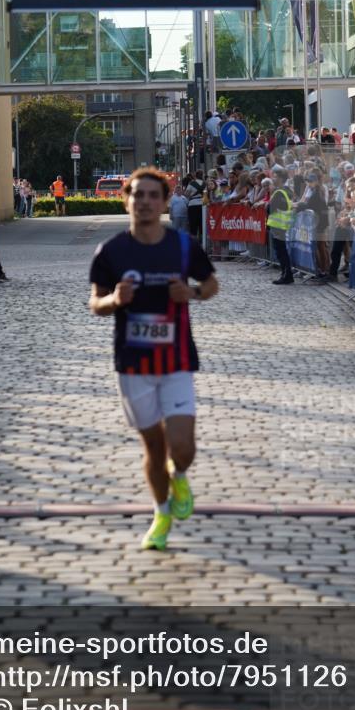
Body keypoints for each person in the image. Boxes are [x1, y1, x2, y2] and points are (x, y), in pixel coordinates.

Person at [89, 167, 218, 550]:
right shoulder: (111, 252)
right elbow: (96, 303)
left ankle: (179, 476)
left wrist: (191, 294)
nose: (144, 201)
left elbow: (211, 285)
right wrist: (115, 300)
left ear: (164, 202)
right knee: (153, 448)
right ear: (126, 199)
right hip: (133, 365)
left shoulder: (182, 246)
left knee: (182, 448)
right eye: (137, 195)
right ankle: (161, 512)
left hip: (176, 360)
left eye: (152, 195)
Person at [267, 168, 294, 284]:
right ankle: (286, 274)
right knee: (282, 251)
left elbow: (270, 209)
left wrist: (267, 205)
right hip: (282, 225)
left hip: (277, 225)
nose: (273, 178)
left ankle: (286, 275)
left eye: (275, 177)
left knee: (281, 252)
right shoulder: (287, 190)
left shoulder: (278, 192)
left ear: (281, 179)